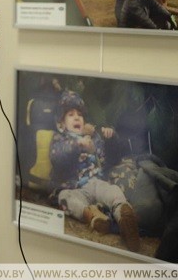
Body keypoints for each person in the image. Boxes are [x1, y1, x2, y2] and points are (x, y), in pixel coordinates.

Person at [49, 91, 141, 252]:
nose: (77, 118)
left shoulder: (94, 138)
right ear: (61, 124)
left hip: (96, 183)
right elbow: (57, 157)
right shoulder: (60, 139)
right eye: (71, 114)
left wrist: (111, 138)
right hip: (74, 188)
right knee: (65, 198)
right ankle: (92, 215)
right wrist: (77, 145)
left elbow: (110, 158)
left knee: (112, 190)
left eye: (80, 115)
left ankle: (123, 215)